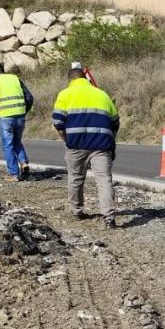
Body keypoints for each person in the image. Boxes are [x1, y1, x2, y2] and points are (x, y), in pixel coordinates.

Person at [52, 66, 120, 229]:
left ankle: (76, 210)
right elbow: (115, 122)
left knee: (75, 178)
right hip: (101, 144)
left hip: (76, 144)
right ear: (85, 79)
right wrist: (111, 141)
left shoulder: (65, 94)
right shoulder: (102, 94)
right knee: (104, 180)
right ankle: (109, 217)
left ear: (70, 80)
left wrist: (66, 140)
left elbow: (58, 122)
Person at [0, 61, 34, 182]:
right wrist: (23, 111)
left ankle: (13, 174)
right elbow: (29, 97)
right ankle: (24, 163)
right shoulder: (15, 78)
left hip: (5, 117)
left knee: (8, 144)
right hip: (20, 115)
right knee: (17, 141)